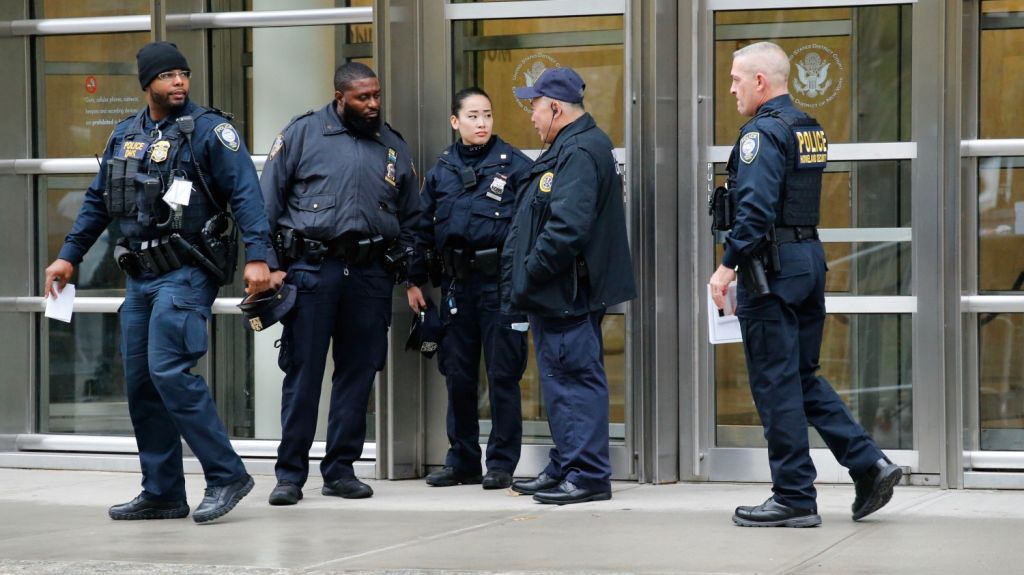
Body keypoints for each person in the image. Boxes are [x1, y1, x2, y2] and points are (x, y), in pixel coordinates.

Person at [44, 42, 273, 523]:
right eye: (168, 75)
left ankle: (227, 474)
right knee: (143, 383)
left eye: (183, 74)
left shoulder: (211, 131)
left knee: (170, 372)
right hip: (141, 277)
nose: (179, 83)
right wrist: (68, 257)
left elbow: (247, 195)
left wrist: (259, 257)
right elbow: (98, 201)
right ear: (146, 82)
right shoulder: (125, 133)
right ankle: (164, 491)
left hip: (186, 272)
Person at [708, 41, 901, 528]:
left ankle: (793, 495)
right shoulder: (806, 127)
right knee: (800, 376)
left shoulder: (761, 133)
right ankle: (868, 464)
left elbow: (754, 210)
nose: (729, 87)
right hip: (806, 260)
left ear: (759, 81)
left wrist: (727, 266)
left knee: (776, 383)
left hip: (770, 267)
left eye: (735, 78)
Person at [261, 62, 420, 506]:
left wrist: (407, 271)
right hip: (312, 271)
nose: (373, 104)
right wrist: (268, 264)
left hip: (369, 274)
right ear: (339, 97)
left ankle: (341, 469)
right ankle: (290, 474)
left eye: (376, 95)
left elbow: (413, 217)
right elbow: (265, 206)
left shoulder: (391, 143)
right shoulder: (302, 134)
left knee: (358, 373)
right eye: (362, 97)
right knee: (304, 373)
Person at [503, 67, 636, 505]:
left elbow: (566, 228)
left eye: (536, 108)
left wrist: (529, 272)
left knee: (575, 381)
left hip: (565, 290)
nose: (532, 117)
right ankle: (567, 463)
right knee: (561, 382)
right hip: (557, 291)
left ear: (556, 107)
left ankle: (589, 474)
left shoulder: (579, 150)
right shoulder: (571, 146)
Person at [407, 87, 532, 490]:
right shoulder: (442, 169)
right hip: (458, 287)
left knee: (502, 375)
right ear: (455, 121)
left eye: (488, 115)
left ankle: (501, 463)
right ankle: (461, 459)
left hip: (501, 286)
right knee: (458, 375)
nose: (482, 123)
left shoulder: (515, 166)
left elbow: (532, 229)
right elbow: (421, 227)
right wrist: (413, 279)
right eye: (474, 116)